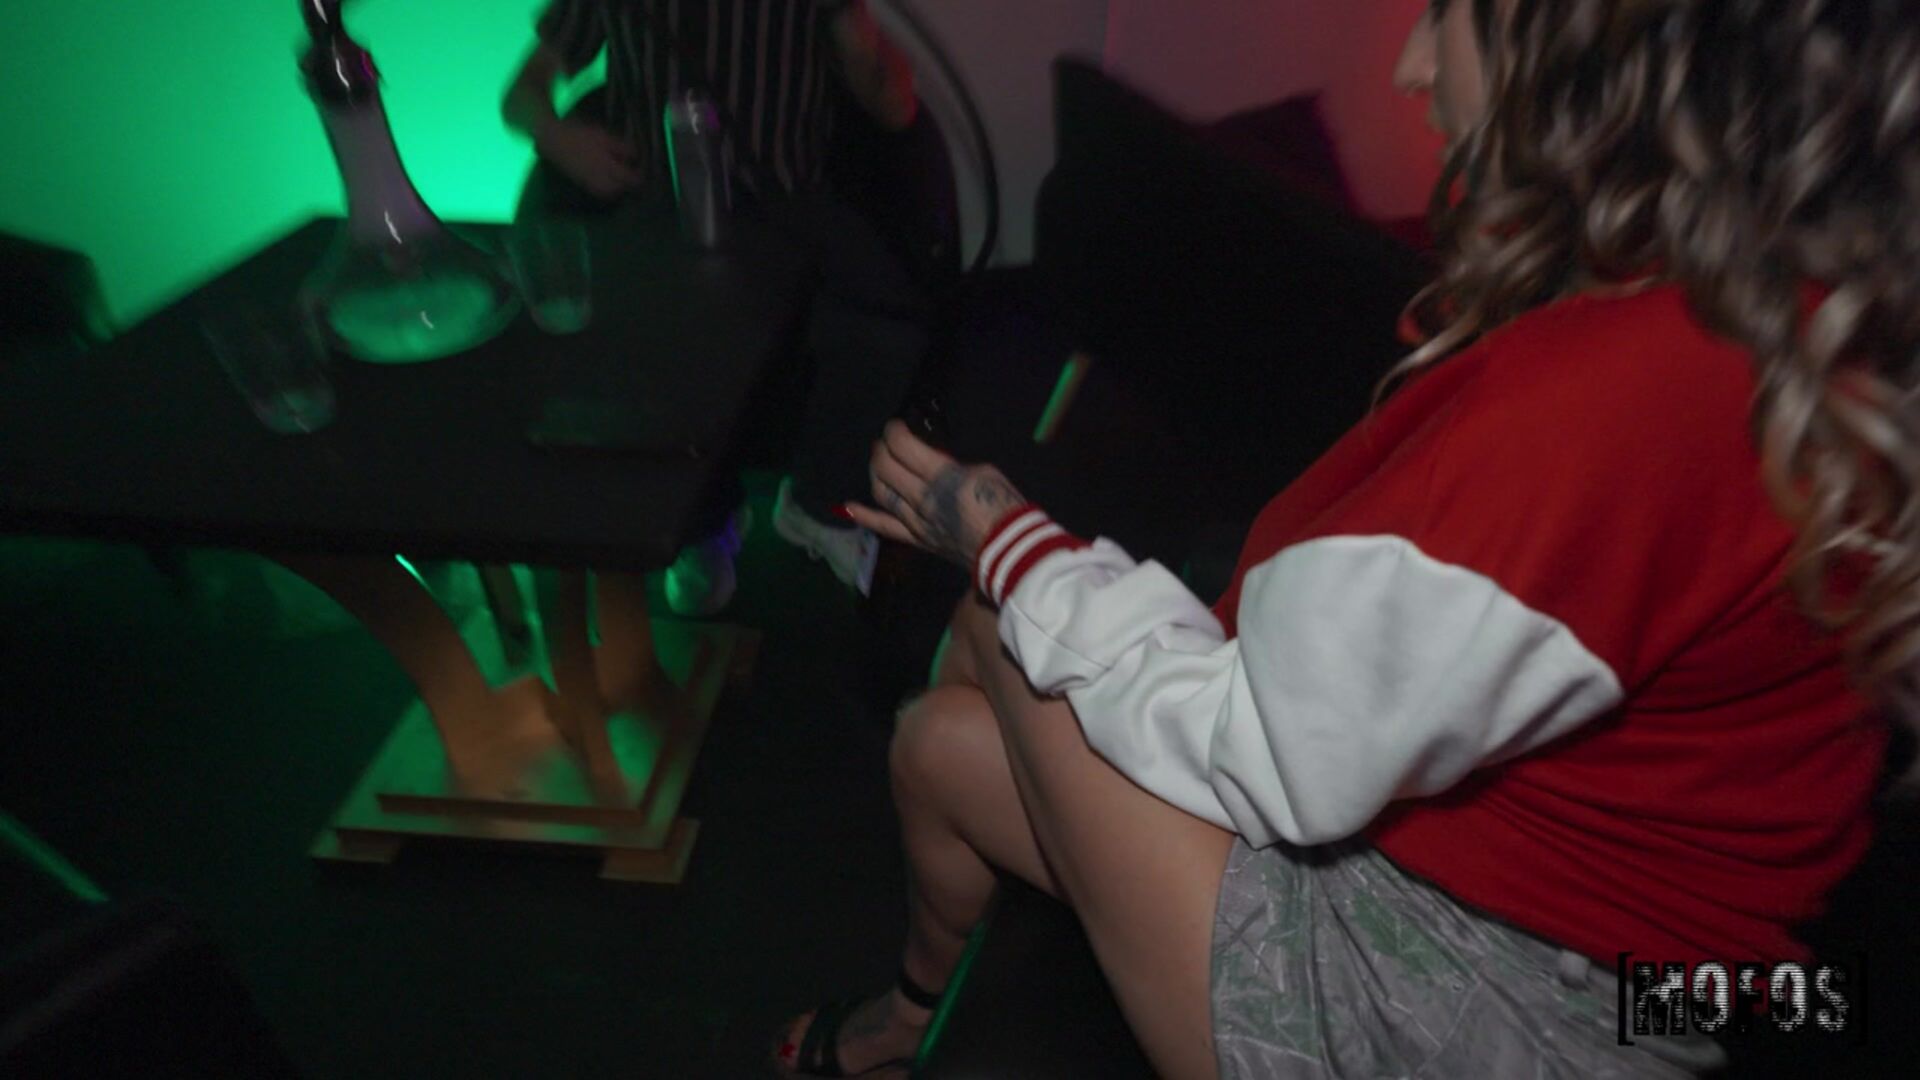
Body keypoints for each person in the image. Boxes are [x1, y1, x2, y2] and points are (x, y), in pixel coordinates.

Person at [777, 1, 1917, 1076]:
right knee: (939, 743)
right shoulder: (1804, 325)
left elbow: (1270, 745)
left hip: (1489, 1016)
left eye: (1447, 13)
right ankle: (912, 1023)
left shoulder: (1626, 397)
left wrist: (997, 533)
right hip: (1644, 983)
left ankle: (895, 1027)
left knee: (997, 617)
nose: (1412, 65)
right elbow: (1788, 979)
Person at [503, 0, 928, 615]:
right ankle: (704, 524)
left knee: (889, 325)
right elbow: (521, 93)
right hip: (658, 206)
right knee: (672, 342)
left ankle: (815, 504)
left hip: (787, 201)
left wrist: (859, 37)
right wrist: (557, 136)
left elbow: (896, 110)